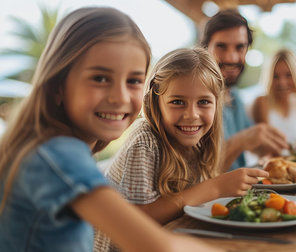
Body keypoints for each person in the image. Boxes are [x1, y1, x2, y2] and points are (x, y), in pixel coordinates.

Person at [0, 7, 221, 252]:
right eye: (101, 78)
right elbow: (160, 247)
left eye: (134, 81)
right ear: (57, 85)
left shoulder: (59, 148)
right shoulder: (57, 155)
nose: (120, 97)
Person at [94, 48, 268, 251]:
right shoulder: (145, 142)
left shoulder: (202, 141)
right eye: (177, 102)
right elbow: (137, 220)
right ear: (156, 102)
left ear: (217, 104)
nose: (191, 115)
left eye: (203, 102)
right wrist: (215, 188)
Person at [201, 9, 289, 171]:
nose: (231, 58)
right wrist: (240, 141)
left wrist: (274, 150)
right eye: (221, 47)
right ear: (205, 48)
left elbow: (256, 144)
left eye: (240, 47)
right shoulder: (196, 100)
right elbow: (202, 175)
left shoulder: (235, 97)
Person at [251, 49, 296, 143]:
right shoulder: (262, 102)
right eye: (275, 76)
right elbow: (265, 145)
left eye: (288, 75)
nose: (282, 83)